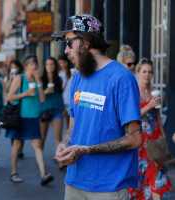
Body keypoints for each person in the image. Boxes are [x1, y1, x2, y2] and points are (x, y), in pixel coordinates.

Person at [53, 14, 142, 200]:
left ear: (85, 42)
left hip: (109, 188)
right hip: (74, 182)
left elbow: (134, 139)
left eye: (69, 43)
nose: (66, 51)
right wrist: (64, 144)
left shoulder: (121, 78)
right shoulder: (77, 78)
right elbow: (72, 127)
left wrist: (86, 150)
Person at [128, 58, 171, 200]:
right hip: (140, 140)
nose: (147, 74)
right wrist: (149, 106)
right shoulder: (133, 91)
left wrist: (163, 136)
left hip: (154, 140)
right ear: (138, 72)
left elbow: (157, 116)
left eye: (150, 72)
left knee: (156, 178)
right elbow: (131, 116)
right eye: (144, 71)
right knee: (141, 179)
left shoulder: (153, 91)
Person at [6, 55, 54, 185]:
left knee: (37, 146)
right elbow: (9, 97)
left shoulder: (36, 79)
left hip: (33, 117)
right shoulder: (19, 78)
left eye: (36, 65)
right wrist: (25, 94)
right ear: (27, 66)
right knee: (17, 144)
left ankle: (44, 174)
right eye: (34, 65)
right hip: (20, 117)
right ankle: (14, 173)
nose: (36, 67)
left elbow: (43, 99)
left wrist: (38, 82)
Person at [40, 57, 64, 150]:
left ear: (55, 66)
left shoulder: (59, 79)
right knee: (42, 138)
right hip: (44, 110)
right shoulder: (41, 79)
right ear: (45, 66)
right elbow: (38, 97)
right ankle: (40, 161)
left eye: (52, 64)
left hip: (57, 110)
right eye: (47, 64)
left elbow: (61, 94)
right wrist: (46, 91)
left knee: (58, 138)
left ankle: (60, 161)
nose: (49, 66)